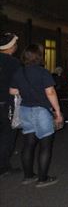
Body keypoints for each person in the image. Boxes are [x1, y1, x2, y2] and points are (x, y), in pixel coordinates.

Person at [9, 44, 63, 187]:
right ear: (38, 56)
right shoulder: (42, 72)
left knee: (28, 144)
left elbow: (12, 91)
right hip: (41, 111)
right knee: (45, 146)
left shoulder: (19, 72)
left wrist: (26, 91)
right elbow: (50, 92)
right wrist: (58, 112)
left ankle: (28, 175)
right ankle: (43, 178)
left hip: (25, 110)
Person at [0, 33, 21, 178]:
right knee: (7, 134)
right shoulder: (13, 63)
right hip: (6, 102)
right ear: (11, 47)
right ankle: (3, 166)